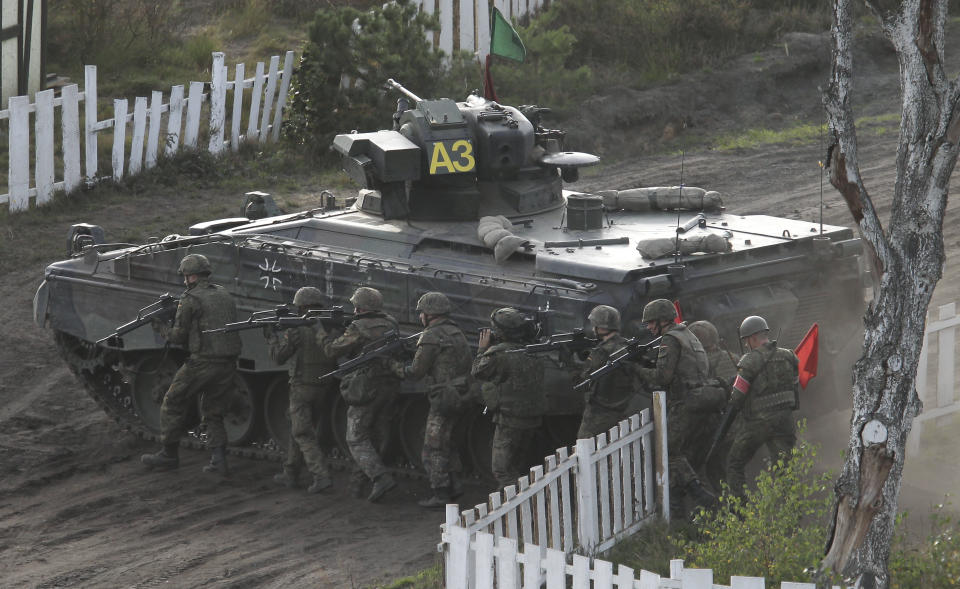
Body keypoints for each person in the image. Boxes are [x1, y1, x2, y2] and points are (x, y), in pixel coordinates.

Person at [141, 253, 242, 475]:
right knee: (213, 411)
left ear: (192, 276)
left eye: (186, 276)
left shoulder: (190, 299)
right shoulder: (223, 294)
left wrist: (159, 326)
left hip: (202, 363)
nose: (184, 280)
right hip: (228, 363)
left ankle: (168, 454)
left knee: (172, 400)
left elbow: (177, 337)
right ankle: (219, 460)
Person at [319, 286, 401, 503]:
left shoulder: (358, 327)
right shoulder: (391, 322)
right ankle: (359, 484)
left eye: (356, 307)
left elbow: (332, 351)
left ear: (362, 308)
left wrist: (327, 332)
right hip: (389, 385)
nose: (353, 310)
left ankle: (380, 477)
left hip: (366, 387)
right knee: (376, 435)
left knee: (355, 438)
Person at [635, 299, 715, 514]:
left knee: (668, 451)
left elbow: (662, 377)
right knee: (682, 457)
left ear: (663, 320)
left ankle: (699, 494)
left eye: (652, 322)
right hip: (701, 399)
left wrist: (637, 368)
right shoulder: (688, 334)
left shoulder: (669, 340)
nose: (649, 327)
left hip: (685, 402)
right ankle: (680, 510)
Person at [393, 292, 472, 508]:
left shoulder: (430, 336)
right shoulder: (457, 333)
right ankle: (455, 484)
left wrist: (395, 367)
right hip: (460, 394)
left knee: (432, 447)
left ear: (430, 314)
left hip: (443, 397)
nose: (420, 317)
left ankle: (441, 492)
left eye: (422, 313)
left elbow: (417, 371)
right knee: (447, 441)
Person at [267, 287, 338, 494]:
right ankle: (291, 472)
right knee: (299, 428)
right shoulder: (329, 327)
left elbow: (279, 357)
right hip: (323, 386)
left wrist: (271, 338)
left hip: (301, 387)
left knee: (302, 432)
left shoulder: (296, 329)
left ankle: (321, 475)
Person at [471, 307, 545, 491]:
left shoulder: (499, 354)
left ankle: (516, 506)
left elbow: (478, 371)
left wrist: (482, 349)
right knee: (517, 464)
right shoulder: (533, 350)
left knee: (501, 469)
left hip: (510, 418)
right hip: (531, 416)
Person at [725, 315, 799, 497]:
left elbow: (737, 398)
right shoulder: (789, 356)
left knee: (734, 463)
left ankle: (741, 512)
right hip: (784, 420)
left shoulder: (749, 361)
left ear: (751, 339)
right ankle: (790, 515)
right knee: (785, 468)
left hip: (758, 423)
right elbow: (795, 385)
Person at [687, 320, 738, 492]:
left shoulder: (701, 364)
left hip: (715, 426)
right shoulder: (732, 357)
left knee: (714, 470)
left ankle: (727, 510)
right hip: (736, 423)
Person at [576, 305, 638, 439]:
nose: (593, 329)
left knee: (584, 445)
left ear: (601, 327)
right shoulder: (626, 346)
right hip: (623, 409)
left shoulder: (600, 351)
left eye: (595, 325)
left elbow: (584, 381)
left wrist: (569, 362)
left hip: (599, 413)